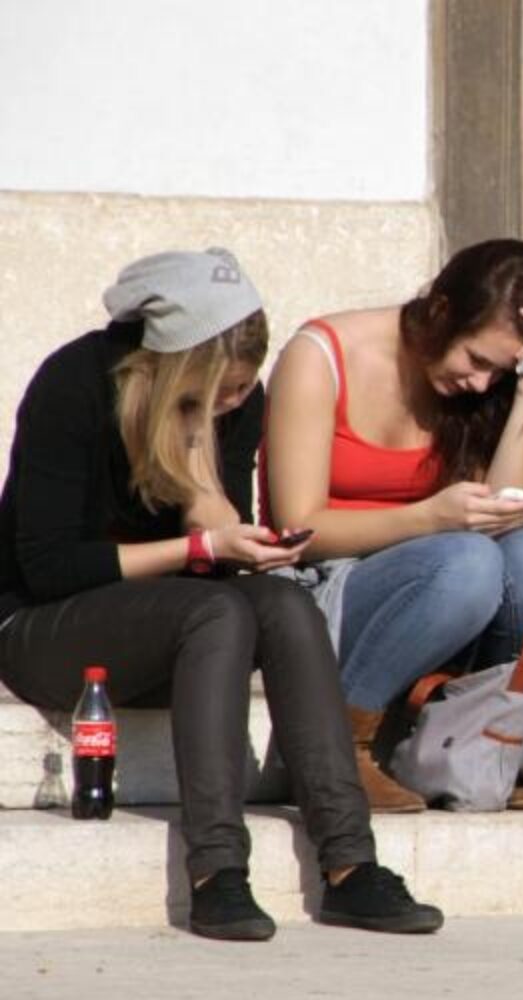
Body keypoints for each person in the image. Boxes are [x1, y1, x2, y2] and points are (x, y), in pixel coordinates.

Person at [0, 249, 443, 941]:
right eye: (214, 394)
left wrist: (222, 522)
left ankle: (351, 863)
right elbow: (50, 567)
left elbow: (217, 564)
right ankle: (216, 871)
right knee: (215, 610)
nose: (233, 405)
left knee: (283, 602)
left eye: (241, 391)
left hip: (177, 630)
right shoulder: (76, 383)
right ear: (168, 370)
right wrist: (196, 549)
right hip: (41, 629)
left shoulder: (239, 406)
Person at [264, 239, 523, 812]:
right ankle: (331, 750)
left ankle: (498, 741)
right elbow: (296, 528)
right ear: (441, 311)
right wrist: (428, 518)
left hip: (440, 591)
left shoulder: (482, 393)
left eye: (501, 371)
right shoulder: (320, 356)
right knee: (468, 561)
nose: (481, 384)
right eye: (476, 360)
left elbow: (507, 512)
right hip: (328, 585)